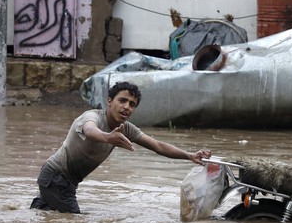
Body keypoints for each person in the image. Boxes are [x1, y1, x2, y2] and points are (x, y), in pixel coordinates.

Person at [30, 81, 212, 214]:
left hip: (64, 181)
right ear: (109, 101)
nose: (126, 107)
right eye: (122, 101)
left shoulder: (127, 129)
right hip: (56, 177)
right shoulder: (92, 117)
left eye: (132, 104)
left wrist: (190, 156)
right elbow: (90, 130)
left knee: (43, 217)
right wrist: (108, 137)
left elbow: (157, 146)